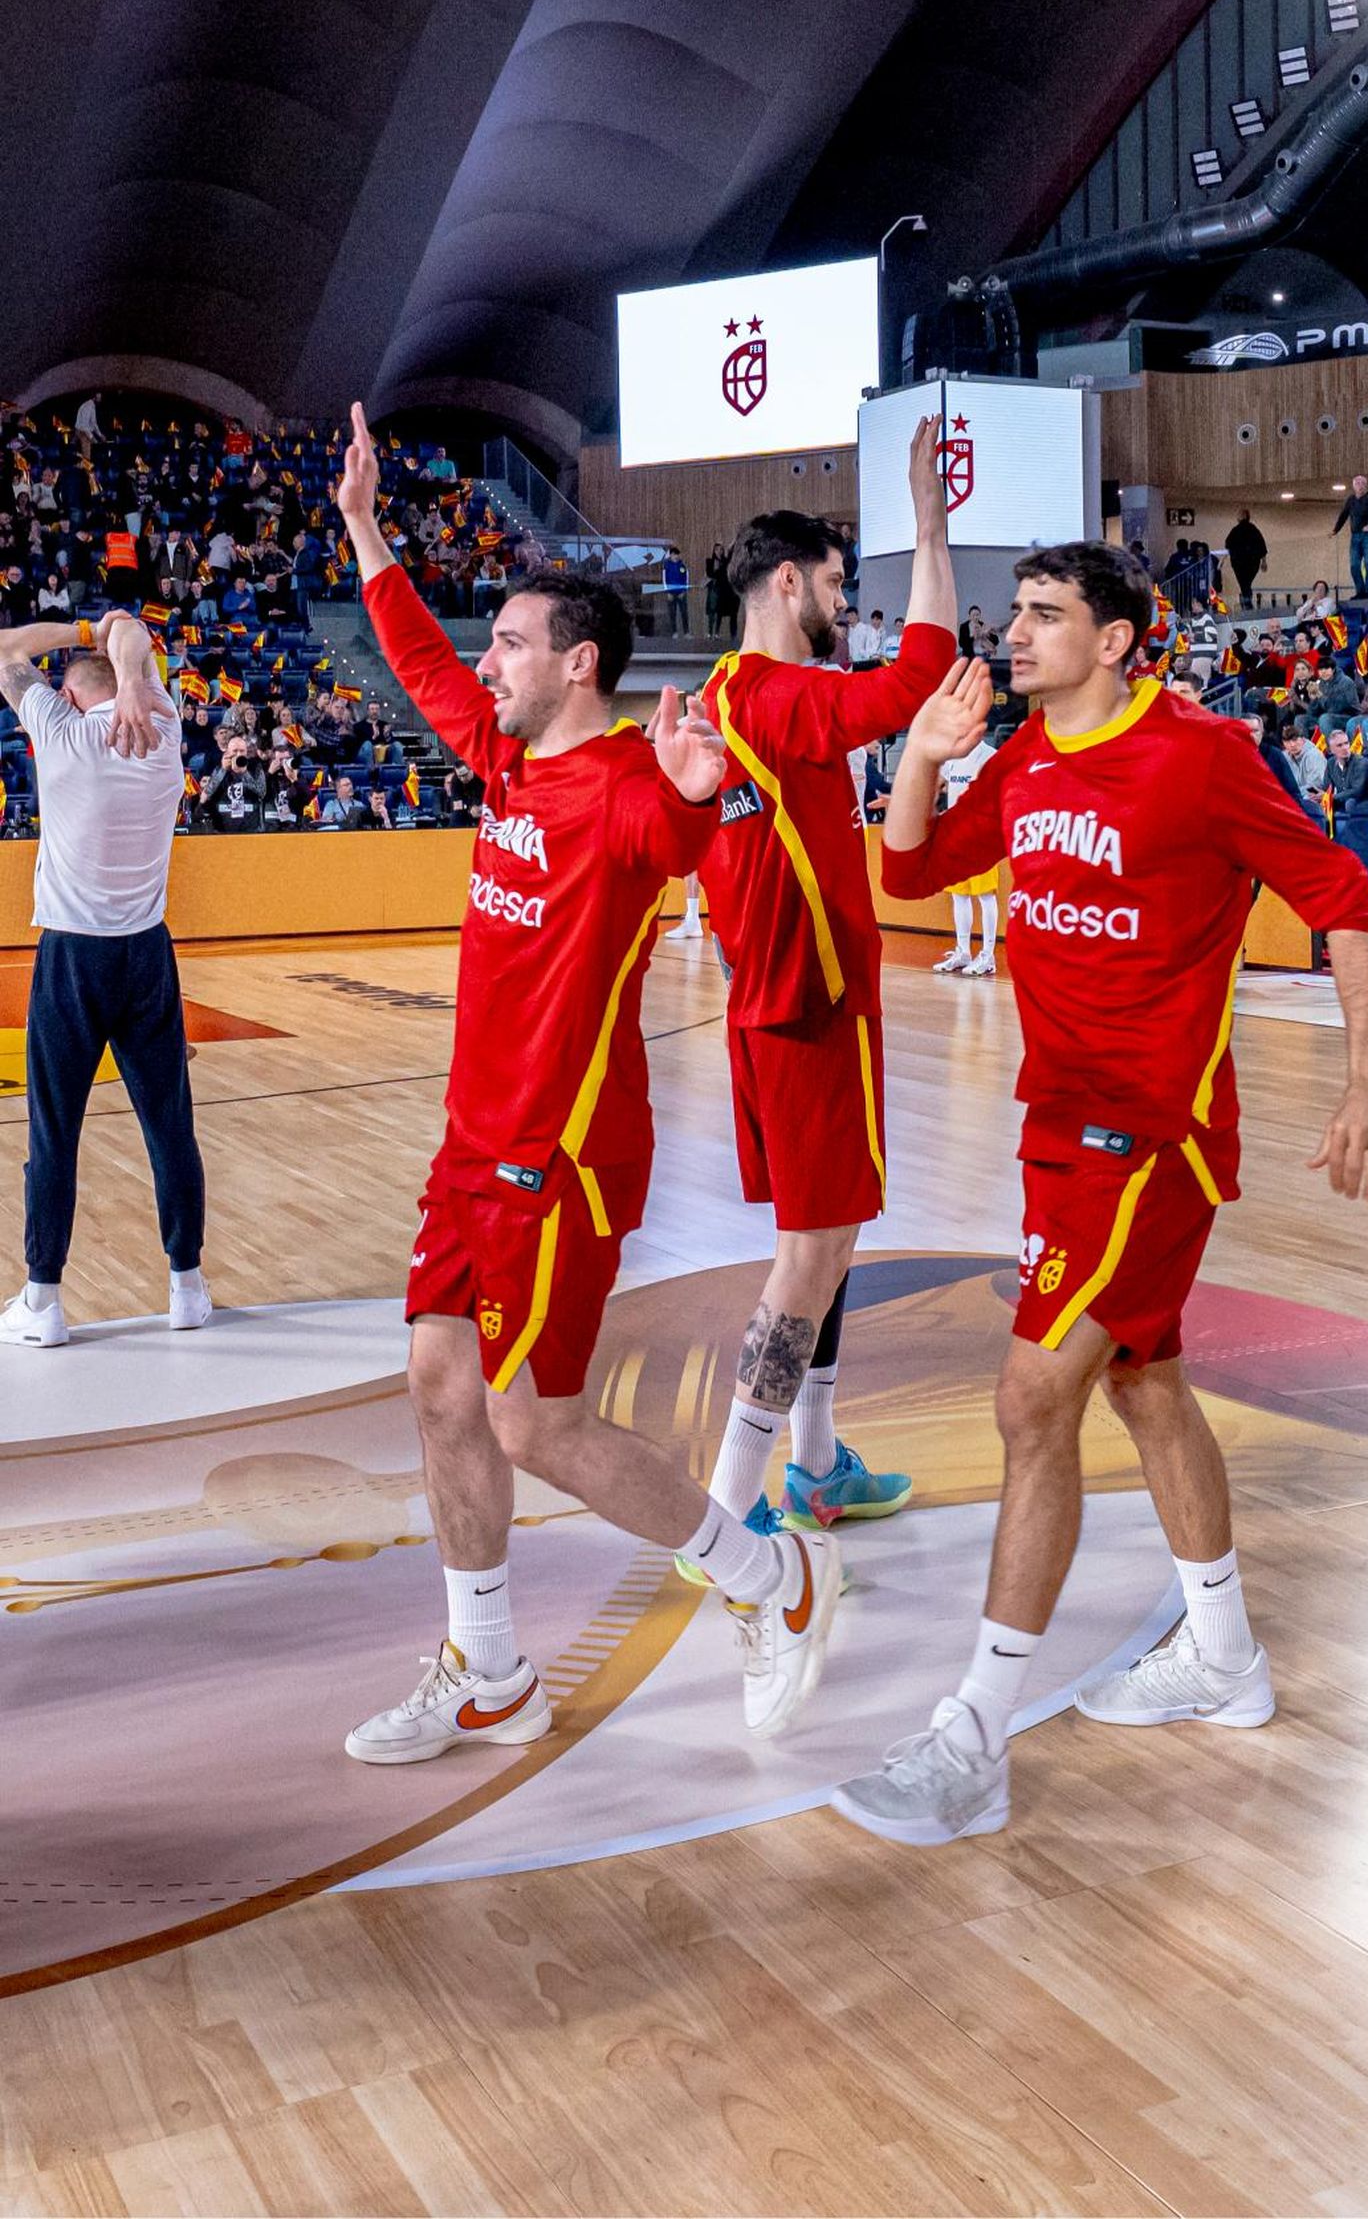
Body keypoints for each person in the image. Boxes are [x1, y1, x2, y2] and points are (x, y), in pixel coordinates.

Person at [830, 543, 1368, 1843]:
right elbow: (909, 875)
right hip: (1055, 1130)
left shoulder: (1200, 755)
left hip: (1156, 1140)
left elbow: (1340, 893)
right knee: (1146, 1386)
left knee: (1033, 1399)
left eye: (1047, 615)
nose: (1018, 634)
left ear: (1122, 641)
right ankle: (1224, 1657)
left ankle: (972, 1739)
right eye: (1018, 612)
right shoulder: (1028, 758)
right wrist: (922, 751)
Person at [334, 401, 841, 1758]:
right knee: (441, 1383)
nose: (482, 659)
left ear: (581, 666)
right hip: (470, 1146)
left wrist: (694, 793)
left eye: (507, 640)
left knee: (536, 1422)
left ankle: (772, 1581)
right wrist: (365, 525)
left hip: (556, 1163)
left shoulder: (625, 788)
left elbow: (681, 831)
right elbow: (417, 663)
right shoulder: (505, 756)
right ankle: (489, 1671)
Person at [692, 422, 956, 1558]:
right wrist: (929, 519)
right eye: (841, 585)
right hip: (809, 1006)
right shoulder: (778, 697)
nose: (847, 604)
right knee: (811, 1253)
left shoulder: (718, 693)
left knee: (832, 1243)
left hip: (778, 1003)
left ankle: (814, 1465)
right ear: (789, 582)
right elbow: (917, 675)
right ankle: (732, 1498)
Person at [0, 611, 210, 1348]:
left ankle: (43, 1298)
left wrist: (82, 629)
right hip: (146, 953)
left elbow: (8, 651)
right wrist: (134, 678)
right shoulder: (163, 731)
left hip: (73, 958)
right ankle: (187, 1284)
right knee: (169, 1128)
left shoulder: (59, 734)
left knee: (54, 1134)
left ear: (70, 694)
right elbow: (134, 630)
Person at [932, 732, 1000, 977]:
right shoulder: (953, 758)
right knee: (959, 895)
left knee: (984, 895)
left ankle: (988, 955)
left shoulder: (989, 757)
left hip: (981, 836)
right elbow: (939, 786)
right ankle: (963, 951)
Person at [1333, 475, 1368, 599]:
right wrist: (1336, 530)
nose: (1360, 485)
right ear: (1353, 486)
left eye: (1362, 483)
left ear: (1366, 485)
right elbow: (1344, 515)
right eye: (1357, 483)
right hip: (1355, 535)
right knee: (1354, 565)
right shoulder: (1350, 500)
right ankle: (1360, 591)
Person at [1325, 725, 1368, 811]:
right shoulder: (1330, 763)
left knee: (1350, 802)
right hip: (1343, 799)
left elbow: (1356, 791)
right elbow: (1327, 787)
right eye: (1339, 745)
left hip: (1366, 801)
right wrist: (1320, 795)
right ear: (1331, 750)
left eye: (1346, 743)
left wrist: (1332, 797)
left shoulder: (1360, 762)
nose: (1345, 748)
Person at [1224, 508, 1267, 608]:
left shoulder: (1236, 530)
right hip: (1251, 562)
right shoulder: (1253, 530)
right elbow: (1262, 546)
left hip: (1240, 562)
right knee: (1246, 584)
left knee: (1244, 583)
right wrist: (1263, 561)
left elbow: (1228, 545)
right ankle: (1247, 601)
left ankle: (1246, 601)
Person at [1281, 722, 1326, 798]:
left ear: (1303, 739)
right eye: (1288, 742)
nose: (1292, 745)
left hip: (1316, 795)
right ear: (1283, 744)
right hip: (1295, 794)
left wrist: (1292, 793)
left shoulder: (1314, 755)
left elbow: (1316, 785)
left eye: (1295, 740)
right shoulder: (1284, 756)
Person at [662, 544, 689, 636]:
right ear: (670, 555)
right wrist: (667, 592)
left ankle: (686, 632)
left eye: (677, 554)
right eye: (674, 554)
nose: (676, 556)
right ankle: (674, 632)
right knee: (672, 614)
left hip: (681, 593)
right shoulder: (666, 566)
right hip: (671, 593)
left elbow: (686, 579)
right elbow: (664, 579)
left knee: (684, 613)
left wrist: (684, 591)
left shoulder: (682, 565)